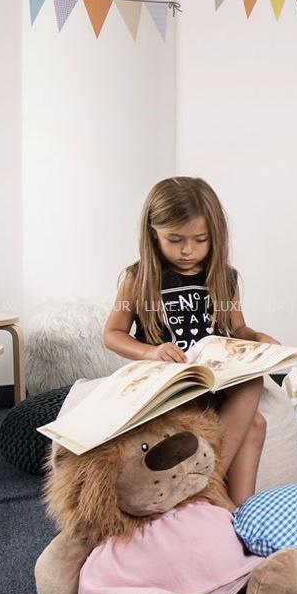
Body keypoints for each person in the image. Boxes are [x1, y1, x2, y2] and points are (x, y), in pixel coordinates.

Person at [103, 176, 277, 505]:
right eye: (175, 239)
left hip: (211, 380)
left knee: (255, 413)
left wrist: (256, 339)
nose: (187, 250)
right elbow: (112, 334)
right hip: (168, 382)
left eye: (200, 240)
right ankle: (210, 487)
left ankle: (239, 512)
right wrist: (151, 352)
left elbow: (238, 328)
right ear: (153, 233)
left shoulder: (223, 277)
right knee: (252, 423)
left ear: (215, 236)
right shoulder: (138, 278)